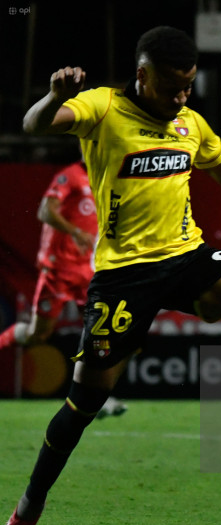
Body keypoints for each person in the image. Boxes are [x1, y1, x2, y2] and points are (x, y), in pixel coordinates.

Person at [3, 26, 221, 525]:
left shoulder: (190, 123)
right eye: (172, 87)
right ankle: (27, 509)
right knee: (82, 406)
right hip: (123, 277)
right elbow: (34, 124)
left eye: (188, 86)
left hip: (187, 257)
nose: (182, 97)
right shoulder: (102, 107)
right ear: (142, 76)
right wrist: (55, 95)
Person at [0, 159, 127, 418]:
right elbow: (44, 212)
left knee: (99, 334)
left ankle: (95, 397)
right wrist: (75, 231)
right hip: (58, 269)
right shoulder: (70, 175)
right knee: (38, 334)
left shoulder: (106, 178)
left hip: (88, 270)